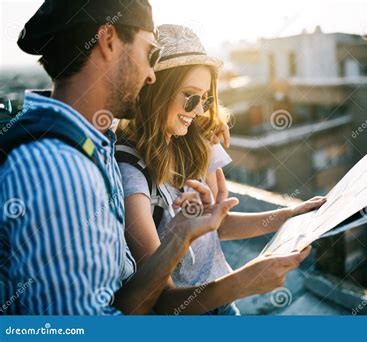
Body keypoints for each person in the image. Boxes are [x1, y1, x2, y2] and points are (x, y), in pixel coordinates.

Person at [0, 1, 236, 315]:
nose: (153, 75)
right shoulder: (59, 169)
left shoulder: (91, 138)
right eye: (150, 54)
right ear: (108, 40)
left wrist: (204, 120)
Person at [116, 25, 324, 315]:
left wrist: (289, 216)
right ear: (155, 90)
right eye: (190, 96)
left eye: (205, 99)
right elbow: (160, 302)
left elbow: (218, 225)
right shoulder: (132, 176)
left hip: (224, 307)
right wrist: (244, 281)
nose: (200, 110)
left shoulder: (192, 142)